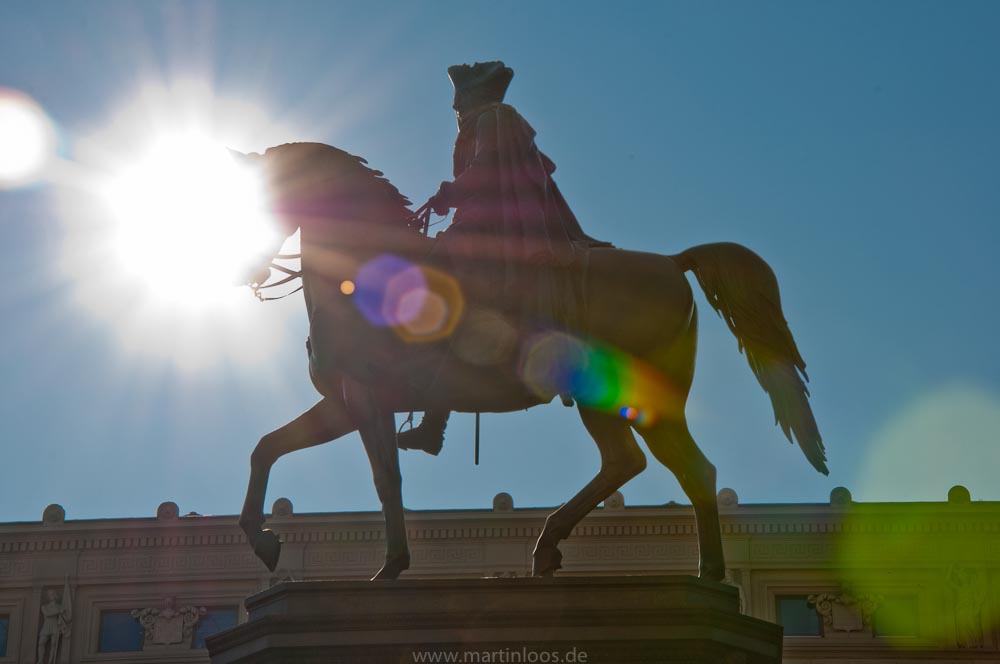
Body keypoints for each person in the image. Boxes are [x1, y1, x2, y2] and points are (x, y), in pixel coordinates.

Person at [397, 61, 609, 454]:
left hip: (497, 227)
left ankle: (434, 420)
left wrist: (447, 194)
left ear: (474, 98)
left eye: (460, 106)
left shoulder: (494, 119)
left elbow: (487, 171)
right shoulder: (488, 121)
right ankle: (434, 415)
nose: (458, 114)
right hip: (484, 223)